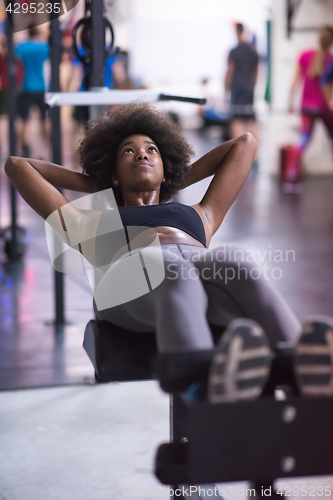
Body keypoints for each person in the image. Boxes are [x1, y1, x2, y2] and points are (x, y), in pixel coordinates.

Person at [5, 105, 333, 403]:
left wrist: (165, 177)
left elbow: (244, 143)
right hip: (129, 282)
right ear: (113, 171)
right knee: (173, 270)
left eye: (151, 151)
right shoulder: (89, 223)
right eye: (128, 152)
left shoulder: (200, 215)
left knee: (234, 261)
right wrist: (104, 186)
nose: (141, 155)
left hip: (193, 268)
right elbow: (18, 165)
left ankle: (301, 369)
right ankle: (199, 388)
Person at [288, 26, 333, 167]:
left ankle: (291, 177)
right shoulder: (331, 59)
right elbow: (327, 86)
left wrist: (290, 103)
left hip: (307, 106)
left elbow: (294, 83)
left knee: (302, 142)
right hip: (325, 107)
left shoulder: (304, 55)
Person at [15, 26, 50, 157]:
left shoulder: (22, 47)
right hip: (41, 87)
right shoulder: (44, 47)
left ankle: (25, 150)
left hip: (26, 87)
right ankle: (48, 147)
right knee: (44, 120)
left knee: (24, 120)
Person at [224, 23, 259, 153]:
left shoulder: (233, 52)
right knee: (251, 120)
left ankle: (238, 154)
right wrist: (252, 88)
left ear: (237, 33)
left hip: (237, 89)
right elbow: (256, 74)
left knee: (235, 121)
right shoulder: (253, 51)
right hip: (249, 89)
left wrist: (225, 90)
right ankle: (256, 156)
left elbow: (229, 72)